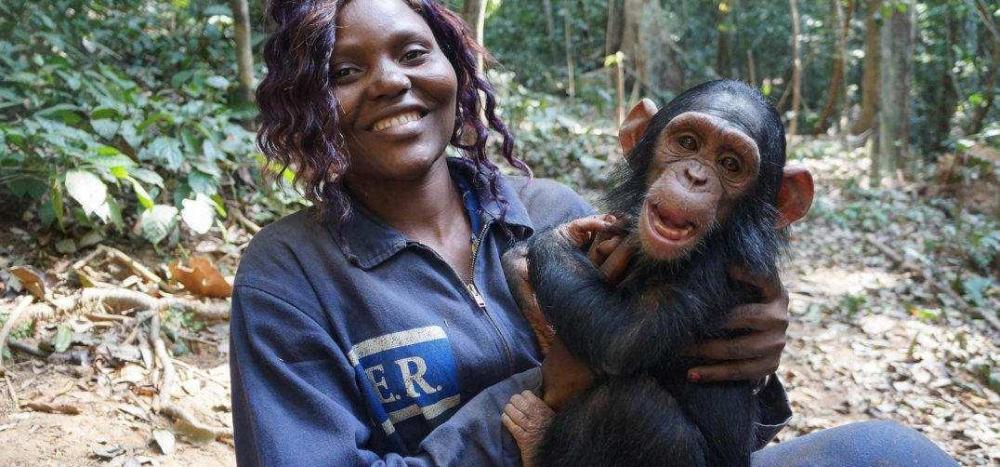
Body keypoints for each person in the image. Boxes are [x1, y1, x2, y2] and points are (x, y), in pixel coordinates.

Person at [230, 0, 958, 465]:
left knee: (892, 451)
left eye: (413, 53)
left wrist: (747, 349)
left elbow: (680, 409)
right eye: (346, 70)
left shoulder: (553, 212)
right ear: (308, 104)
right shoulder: (289, 275)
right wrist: (540, 396)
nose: (390, 82)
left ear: (457, 69)